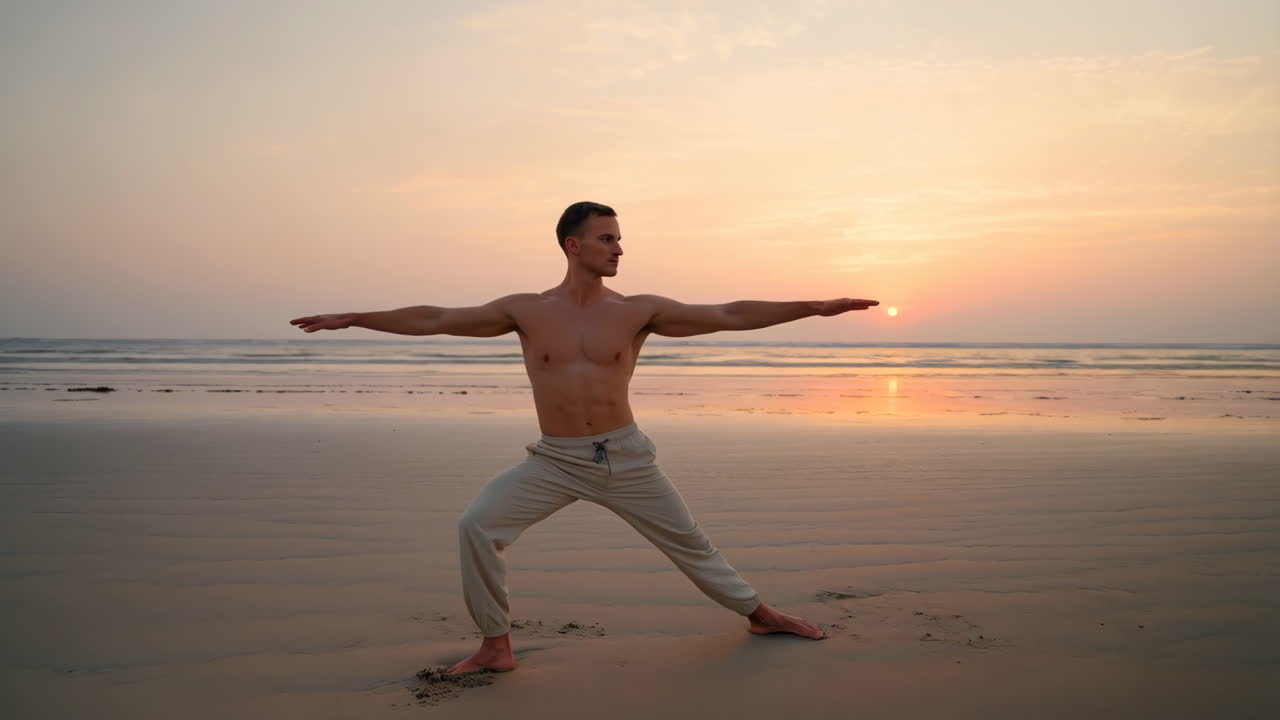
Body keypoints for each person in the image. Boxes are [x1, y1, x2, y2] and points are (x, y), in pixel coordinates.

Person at [289, 201, 878, 675]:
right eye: (607, 239)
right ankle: (496, 646)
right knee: (478, 526)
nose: (619, 248)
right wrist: (356, 317)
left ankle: (760, 614)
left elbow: (727, 312)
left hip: (625, 455)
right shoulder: (524, 309)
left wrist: (813, 307)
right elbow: (435, 317)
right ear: (574, 245)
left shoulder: (639, 310)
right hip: (555, 460)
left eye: (620, 240)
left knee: (691, 545)